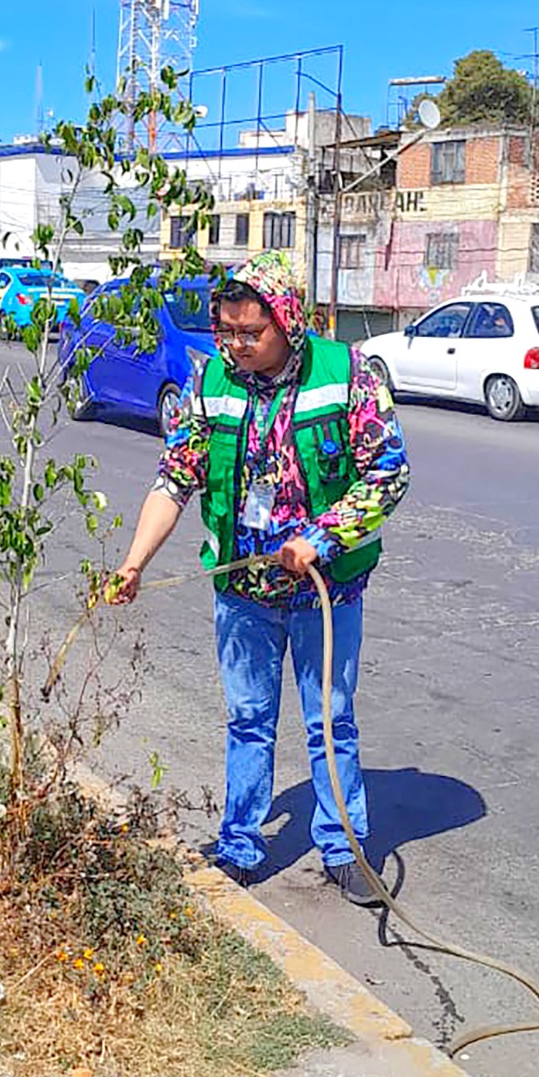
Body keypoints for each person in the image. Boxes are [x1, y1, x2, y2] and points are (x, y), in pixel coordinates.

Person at [109, 251, 411, 904]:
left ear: (289, 320)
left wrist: (320, 538)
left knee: (330, 721)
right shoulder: (212, 380)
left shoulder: (346, 374)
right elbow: (177, 475)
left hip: (325, 593)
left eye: (252, 333)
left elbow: (389, 471)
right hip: (243, 593)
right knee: (248, 719)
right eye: (227, 331)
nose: (237, 346)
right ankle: (241, 842)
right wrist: (135, 562)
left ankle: (345, 845)